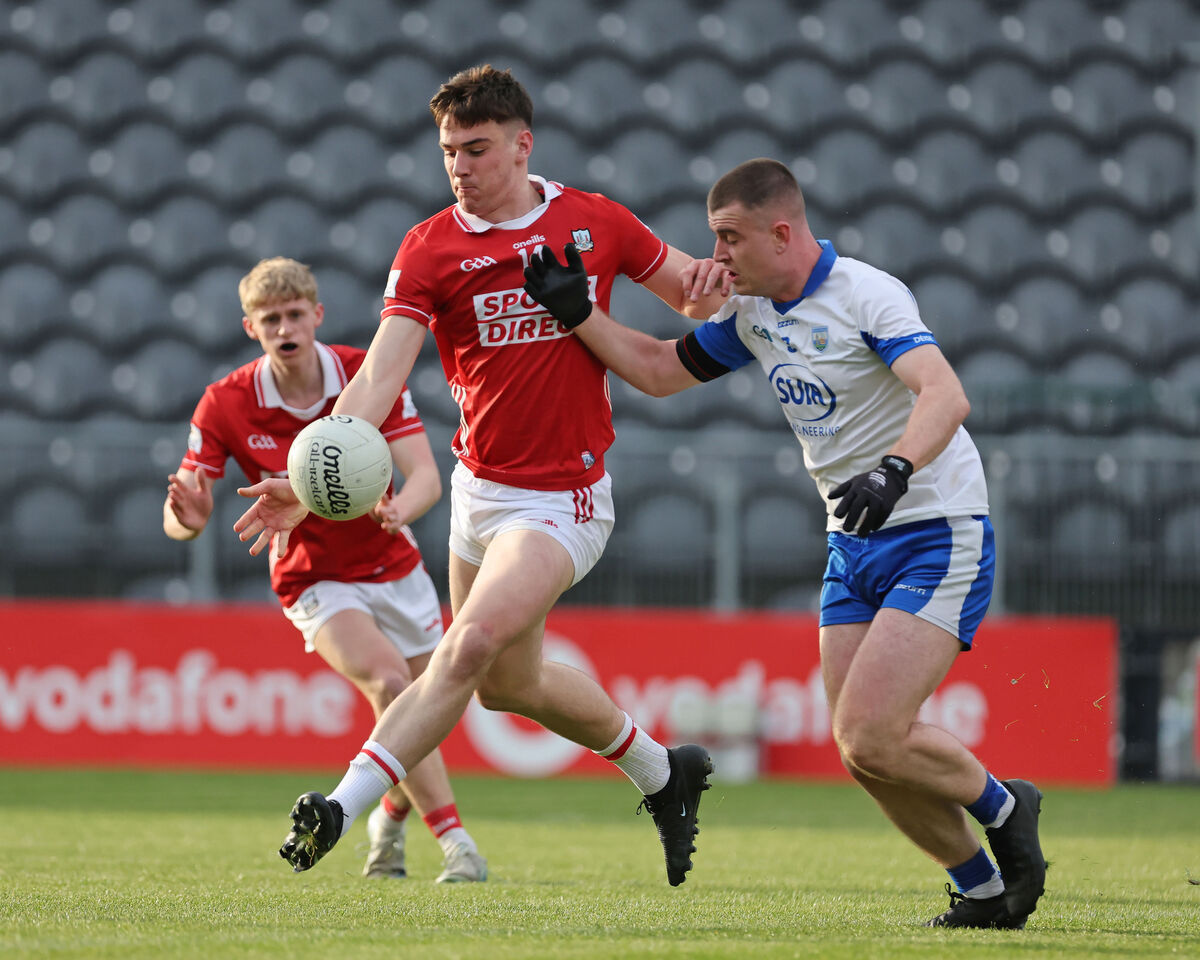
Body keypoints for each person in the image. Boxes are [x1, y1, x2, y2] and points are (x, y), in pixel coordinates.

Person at [232, 65, 729, 886]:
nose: (459, 165)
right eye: (447, 151)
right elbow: (378, 379)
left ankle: (339, 807)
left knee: (461, 650)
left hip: (564, 496)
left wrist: (724, 281)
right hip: (479, 492)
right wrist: (312, 470)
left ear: (522, 144)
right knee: (508, 685)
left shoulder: (592, 221)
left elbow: (692, 296)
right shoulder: (431, 246)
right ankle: (663, 773)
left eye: (477, 148)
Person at [521, 157, 1047, 928]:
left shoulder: (866, 294)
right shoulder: (752, 313)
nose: (718, 256)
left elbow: (946, 394)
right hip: (852, 538)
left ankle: (1006, 806)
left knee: (872, 730)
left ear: (781, 230)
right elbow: (663, 372)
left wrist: (895, 469)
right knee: (860, 749)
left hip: (936, 527)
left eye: (729, 238)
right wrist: (580, 315)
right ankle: (980, 887)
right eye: (713, 239)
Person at [164, 256, 486, 883]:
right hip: (312, 578)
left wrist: (400, 510)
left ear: (316, 315)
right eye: (268, 319)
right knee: (392, 686)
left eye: (293, 314)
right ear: (250, 328)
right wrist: (191, 515)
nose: (284, 328)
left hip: (393, 562)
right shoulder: (226, 403)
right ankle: (458, 845)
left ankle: (387, 821)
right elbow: (183, 512)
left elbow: (424, 476)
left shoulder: (362, 375)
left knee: (430, 710)